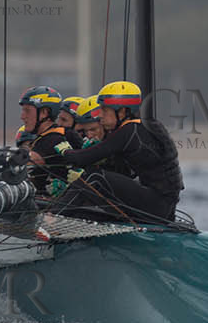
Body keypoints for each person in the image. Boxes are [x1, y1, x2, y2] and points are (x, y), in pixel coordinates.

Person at [31, 80, 183, 222]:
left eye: (104, 110)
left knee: (95, 177)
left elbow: (80, 159)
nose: (100, 115)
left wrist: (65, 151)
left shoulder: (130, 131)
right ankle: (60, 215)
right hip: (165, 207)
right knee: (94, 179)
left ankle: (52, 219)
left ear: (122, 112)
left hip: (157, 206)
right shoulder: (146, 125)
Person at [17, 85, 67, 193]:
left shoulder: (54, 139)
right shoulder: (43, 138)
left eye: (27, 111)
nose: (22, 116)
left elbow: (23, 162)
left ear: (44, 113)